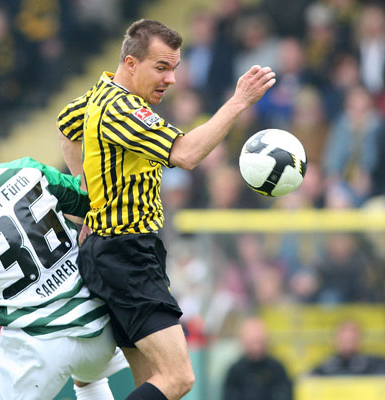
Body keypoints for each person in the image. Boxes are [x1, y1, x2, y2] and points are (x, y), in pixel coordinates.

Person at [57, 19, 275, 400]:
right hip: (128, 255)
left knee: (153, 381)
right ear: (131, 64)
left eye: (174, 68)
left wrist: (89, 200)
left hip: (112, 252)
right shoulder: (124, 109)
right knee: (178, 377)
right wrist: (239, 101)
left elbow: (66, 129)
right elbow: (186, 154)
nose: (170, 79)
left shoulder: (101, 94)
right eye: (161, 68)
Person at [0, 116, 127, 400]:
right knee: (89, 380)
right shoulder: (27, 170)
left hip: (37, 346)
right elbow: (89, 203)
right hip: (100, 328)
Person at [223, 317, 292, 400]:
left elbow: (284, 394)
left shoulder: (277, 368)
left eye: (259, 341)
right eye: (252, 342)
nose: (256, 347)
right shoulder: (235, 371)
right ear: (244, 342)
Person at [310, 320, 385, 375]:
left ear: (360, 338)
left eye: (353, 334)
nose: (349, 336)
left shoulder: (374, 364)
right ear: (336, 339)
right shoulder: (325, 367)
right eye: (344, 333)